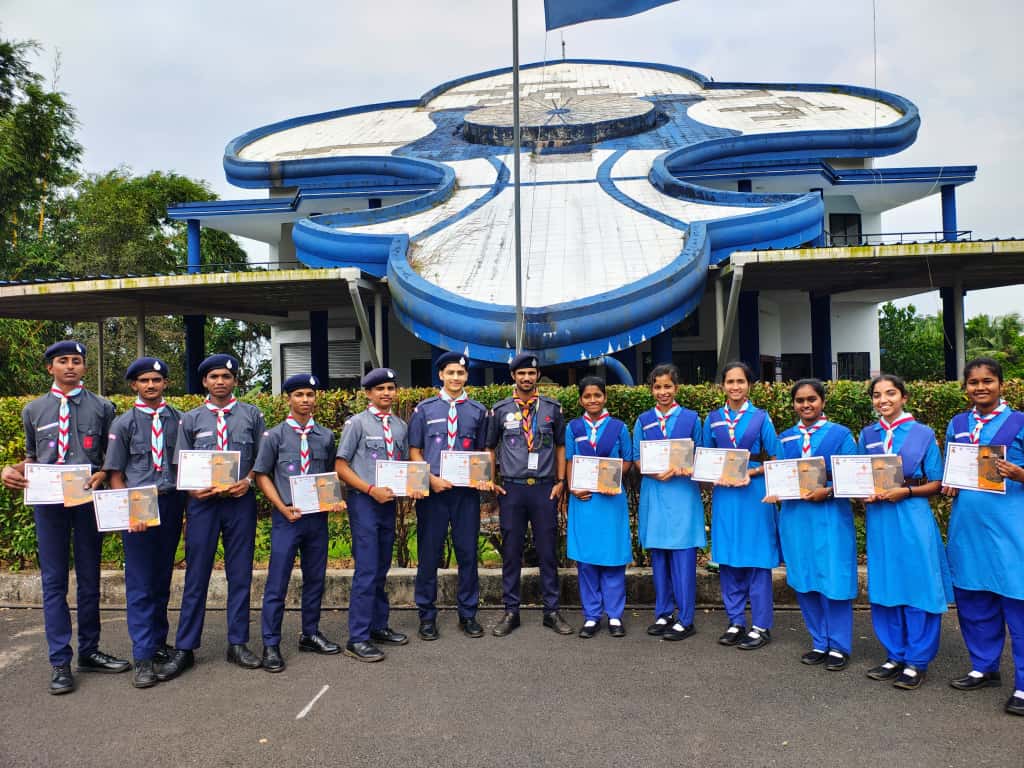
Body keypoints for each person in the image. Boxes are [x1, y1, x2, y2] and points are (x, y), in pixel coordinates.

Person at [1, 341, 129, 694]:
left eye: (77, 361)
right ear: (50, 368)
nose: (70, 366)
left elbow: (111, 455)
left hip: (87, 500)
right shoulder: (34, 409)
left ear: (85, 368)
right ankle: (60, 661)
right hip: (48, 504)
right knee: (54, 583)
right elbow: (33, 456)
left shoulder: (103, 407)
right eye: (63, 361)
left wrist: (102, 474)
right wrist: (9, 470)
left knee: (89, 578)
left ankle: (89, 651)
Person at [158, 354, 265, 679]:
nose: (220, 381)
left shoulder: (251, 415)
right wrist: (191, 490)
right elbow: (178, 463)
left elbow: (261, 459)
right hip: (202, 504)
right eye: (214, 376)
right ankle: (186, 647)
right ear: (205, 382)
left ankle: (238, 643)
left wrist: (247, 482)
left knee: (240, 574)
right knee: (196, 575)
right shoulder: (190, 420)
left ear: (234, 381)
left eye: (226, 376)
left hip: (239, 502)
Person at [941, 357, 1024, 715]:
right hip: (969, 526)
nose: (980, 387)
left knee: (1017, 603)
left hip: (1010, 527)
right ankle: (984, 666)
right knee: (974, 601)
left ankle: (1023, 685)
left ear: (1001, 384)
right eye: (973, 382)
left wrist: (1020, 473)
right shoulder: (958, 424)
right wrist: (948, 482)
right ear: (966, 388)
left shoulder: (1019, 422)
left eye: (987, 381)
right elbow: (949, 467)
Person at [859, 373, 951, 690]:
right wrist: (861, 492)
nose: (883, 400)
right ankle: (894, 654)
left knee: (917, 584)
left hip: (911, 514)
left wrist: (906, 493)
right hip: (880, 518)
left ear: (904, 397)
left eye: (890, 393)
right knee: (886, 584)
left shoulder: (922, 434)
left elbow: (937, 483)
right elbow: (858, 474)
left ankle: (917, 660)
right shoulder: (868, 434)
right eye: (877, 395)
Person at [103, 357, 186, 689]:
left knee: (162, 578)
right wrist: (130, 511)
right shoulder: (123, 424)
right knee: (139, 582)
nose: (150, 385)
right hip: (139, 506)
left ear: (165, 383)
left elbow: (188, 466)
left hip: (170, 502)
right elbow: (115, 473)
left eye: (156, 380)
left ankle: (158, 642)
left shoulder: (180, 420)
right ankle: (143, 656)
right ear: (134, 386)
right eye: (144, 381)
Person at [254, 374, 344, 673]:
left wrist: (334, 499)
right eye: (299, 395)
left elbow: (329, 474)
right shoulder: (275, 436)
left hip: (316, 520)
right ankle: (270, 643)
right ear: (288, 399)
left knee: (315, 579)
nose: (305, 400)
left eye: (310, 394)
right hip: (287, 519)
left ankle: (310, 633)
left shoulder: (326, 436)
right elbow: (262, 474)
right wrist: (281, 506)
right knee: (277, 583)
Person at [767, 379, 858, 671]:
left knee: (833, 579)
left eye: (812, 399)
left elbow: (853, 475)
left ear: (823, 401)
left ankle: (839, 646)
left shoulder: (842, 435)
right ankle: (819, 641)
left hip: (830, 517)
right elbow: (780, 474)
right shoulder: (785, 439)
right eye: (800, 401)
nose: (806, 405)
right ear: (793, 404)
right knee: (804, 579)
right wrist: (775, 490)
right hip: (796, 517)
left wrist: (828, 491)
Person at [486, 352, 572, 637]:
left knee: (548, 551)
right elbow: (490, 448)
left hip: (544, 488)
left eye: (531, 374)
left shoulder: (552, 409)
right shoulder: (499, 410)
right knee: (511, 552)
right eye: (521, 373)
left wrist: (561, 481)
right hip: (512, 489)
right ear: (513, 376)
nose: (526, 378)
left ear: (537, 377)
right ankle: (511, 611)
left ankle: (552, 611)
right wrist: (490, 480)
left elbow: (560, 446)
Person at [408, 352, 489, 641]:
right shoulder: (424, 410)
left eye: (461, 373)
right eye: (450, 373)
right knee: (429, 556)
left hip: (465, 495)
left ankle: (468, 614)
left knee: (468, 554)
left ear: (467, 377)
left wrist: (482, 477)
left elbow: (483, 453)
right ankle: (426, 616)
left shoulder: (478, 411)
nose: (456, 378)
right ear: (440, 375)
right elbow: (415, 451)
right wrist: (431, 479)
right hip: (433, 493)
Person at [335, 367, 415, 662]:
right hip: (365, 502)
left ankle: (378, 625)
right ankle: (357, 637)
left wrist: (413, 486)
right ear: (368, 393)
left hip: (388, 503)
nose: (386, 393)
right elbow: (341, 466)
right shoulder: (357, 424)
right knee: (367, 569)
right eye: (379, 389)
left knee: (381, 567)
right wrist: (370, 490)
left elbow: (404, 465)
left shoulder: (400, 426)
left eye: (391, 388)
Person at [704, 361, 781, 651]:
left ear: (749, 385)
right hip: (726, 496)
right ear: (722, 386)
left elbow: (774, 458)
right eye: (730, 382)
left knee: (757, 561)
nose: (735, 387)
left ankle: (761, 626)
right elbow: (706, 458)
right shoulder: (712, 419)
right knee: (729, 560)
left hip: (753, 495)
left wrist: (753, 472)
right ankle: (736, 621)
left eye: (741, 381)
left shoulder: (762, 418)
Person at [632, 363, 704, 641]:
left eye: (668, 386)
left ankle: (686, 618)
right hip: (655, 492)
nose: (663, 391)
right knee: (659, 556)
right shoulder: (643, 420)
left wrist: (684, 469)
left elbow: (701, 457)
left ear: (676, 388)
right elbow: (637, 457)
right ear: (652, 390)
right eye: (658, 386)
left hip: (682, 493)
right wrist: (650, 470)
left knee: (683, 556)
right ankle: (663, 612)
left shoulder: (691, 419)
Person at [566, 377, 633, 638]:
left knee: (613, 558)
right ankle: (592, 615)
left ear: (605, 397)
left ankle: (615, 616)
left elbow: (627, 460)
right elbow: (570, 459)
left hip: (610, 499)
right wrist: (573, 486)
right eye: (587, 396)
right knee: (587, 561)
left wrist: (612, 480)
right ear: (581, 399)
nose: (592, 400)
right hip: (584, 500)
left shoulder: (619, 427)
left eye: (597, 395)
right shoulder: (573, 427)